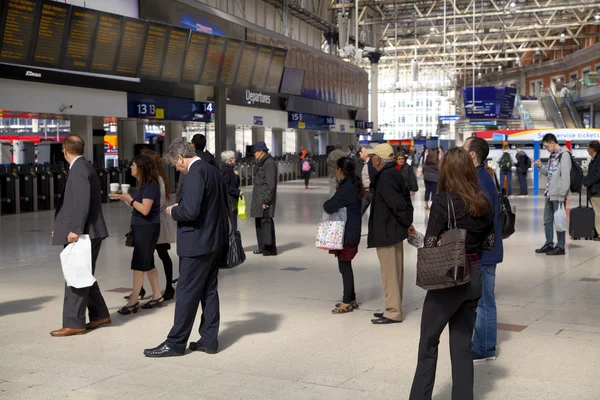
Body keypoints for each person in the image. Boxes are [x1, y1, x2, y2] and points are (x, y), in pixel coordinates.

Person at [409, 148, 494, 400]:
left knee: (428, 343)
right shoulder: (483, 201)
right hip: (475, 276)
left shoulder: (444, 201)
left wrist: (415, 239)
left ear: (448, 171)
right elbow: (488, 241)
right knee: (462, 347)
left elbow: (432, 243)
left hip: (448, 280)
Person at [144, 138, 229, 357]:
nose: (176, 168)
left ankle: (175, 342)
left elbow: (190, 212)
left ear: (181, 157)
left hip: (196, 245)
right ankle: (209, 340)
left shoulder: (194, 174)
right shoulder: (212, 170)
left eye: (175, 164)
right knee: (209, 292)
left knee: (186, 293)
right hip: (214, 241)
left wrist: (174, 211)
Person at [50, 134, 111, 337]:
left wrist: (75, 229)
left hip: (84, 233)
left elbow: (82, 202)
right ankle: (100, 314)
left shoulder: (78, 169)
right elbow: (74, 204)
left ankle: (74, 322)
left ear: (64, 150)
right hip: (88, 230)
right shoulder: (83, 166)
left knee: (75, 276)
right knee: (83, 273)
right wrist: (62, 227)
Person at [464, 137, 504, 363]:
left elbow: (483, 216)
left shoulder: (481, 179)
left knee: (485, 300)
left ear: (472, 155)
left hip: (485, 250)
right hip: (484, 249)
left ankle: (485, 348)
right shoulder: (481, 177)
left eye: (463, 150)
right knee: (481, 299)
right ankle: (481, 343)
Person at [367, 144, 414, 325]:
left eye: (373, 157)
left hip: (387, 230)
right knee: (394, 272)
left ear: (378, 159)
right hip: (393, 229)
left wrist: (407, 222)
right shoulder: (393, 173)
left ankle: (393, 312)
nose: (371, 160)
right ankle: (392, 306)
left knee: (389, 274)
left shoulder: (385, 177)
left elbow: (396, 204)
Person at [115, 155, 164, 314]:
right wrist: (125, 199)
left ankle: (133, 300)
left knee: (138, 263)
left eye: (133, 165)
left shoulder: (151, 185)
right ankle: (157, 295)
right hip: (142, 227)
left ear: (141, 168)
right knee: (147, 262)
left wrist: (129, 199)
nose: (131, 168)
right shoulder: (143, 185)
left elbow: (145, 209)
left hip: (147, 228)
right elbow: (138, 207)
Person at [325, 157, 364, 314]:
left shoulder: (347, 187)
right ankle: (352, 298)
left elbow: (329, 206)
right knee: (346, 265)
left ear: (340, 170)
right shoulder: (353, 183)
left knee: (344, 266)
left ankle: (347, 301)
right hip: (351, 230)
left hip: (346, 232)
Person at [142, 149, 176, 301]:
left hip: (157, 222)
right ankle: (140, 288)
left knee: (161, 254)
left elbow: (158, 202)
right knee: (146, 255)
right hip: (152, 221)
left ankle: (169, 286)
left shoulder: (158, 181)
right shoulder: (151, 179)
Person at [535, 133, 572, 256]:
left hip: (558, 193)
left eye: (547, 146)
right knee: (547, 220)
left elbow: (566, 177)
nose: (546, 148)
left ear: (553, 143)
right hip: (549, 192)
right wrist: (541, 167)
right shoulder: (552, 156)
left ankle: (560, 246)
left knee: (559, 220)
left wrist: (562, 194)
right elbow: (549, 173)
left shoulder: (564, 156)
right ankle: (549, 243)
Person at [251, 142, 278, 256]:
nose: (254, 155)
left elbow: (270, 184)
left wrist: (267, 200)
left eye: (255, 152)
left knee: (266, 222)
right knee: (259, 223)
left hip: (264, 199)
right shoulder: (261, 163)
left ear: (261, 151)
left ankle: (270, 248)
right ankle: (262, 246)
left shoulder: (269, 163)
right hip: (258, 197)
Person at [582, 141, 600, 241]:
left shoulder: (598, 159)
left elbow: (597, 175)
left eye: (588, 148)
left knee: (598, 212)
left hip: (597, 191)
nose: (587, 150)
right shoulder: (594, 159)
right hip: (594, 190)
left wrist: (588, 183)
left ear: (593, 149)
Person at [221, 150, 242, 232]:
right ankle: (232, 242)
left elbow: (235, 184)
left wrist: (236, 176)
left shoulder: (231, 169)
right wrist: (237, 192)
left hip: (233, 199)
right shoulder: (226, 170)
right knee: (232, 222)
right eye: (234, 158)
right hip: (230, 200)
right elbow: (226, 186)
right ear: (229, 159)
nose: (235, 159)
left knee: (234, 221)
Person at [359, 145, 373, 216]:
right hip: (365, 192)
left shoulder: (372, 164)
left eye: (361, 151)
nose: (359, 153)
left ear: (367, 153)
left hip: (371, 192)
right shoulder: (365, 164)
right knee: (358, 212)